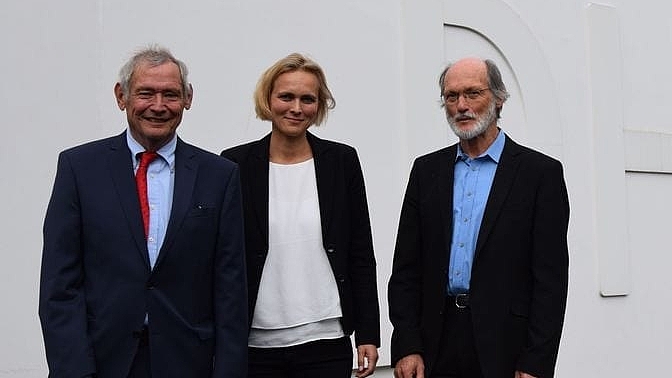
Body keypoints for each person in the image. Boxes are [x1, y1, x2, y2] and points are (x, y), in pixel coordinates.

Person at [39, 45, 248, 378]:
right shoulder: (79, 168)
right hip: (102, 360)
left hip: (188, 363)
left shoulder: (219, 175)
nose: (158, 106)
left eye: (170, 94)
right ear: (121, 96)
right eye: (146, 93)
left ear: (188, 99)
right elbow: (60, 286)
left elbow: (231, 289)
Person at [388, 57, 570, 378]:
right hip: (435, 343)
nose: (461, 105)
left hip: (505, 346)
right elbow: (406, 268)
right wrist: (406, 344)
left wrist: (535, 362)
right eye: (452, 96)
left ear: (498, 99)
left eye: (473, 93)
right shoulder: (426, 171)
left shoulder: (540, 174)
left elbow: (550, 282)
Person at [221, 53, 380, 378]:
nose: (296, 108)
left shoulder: (341, 161)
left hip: (326, 342)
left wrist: (369, 333)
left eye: (308, 99)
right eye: (286, 96)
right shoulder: (234, 164)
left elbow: (360, 252)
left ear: (319, 106)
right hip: (255, 347)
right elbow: (223, 259)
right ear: (268, 99)